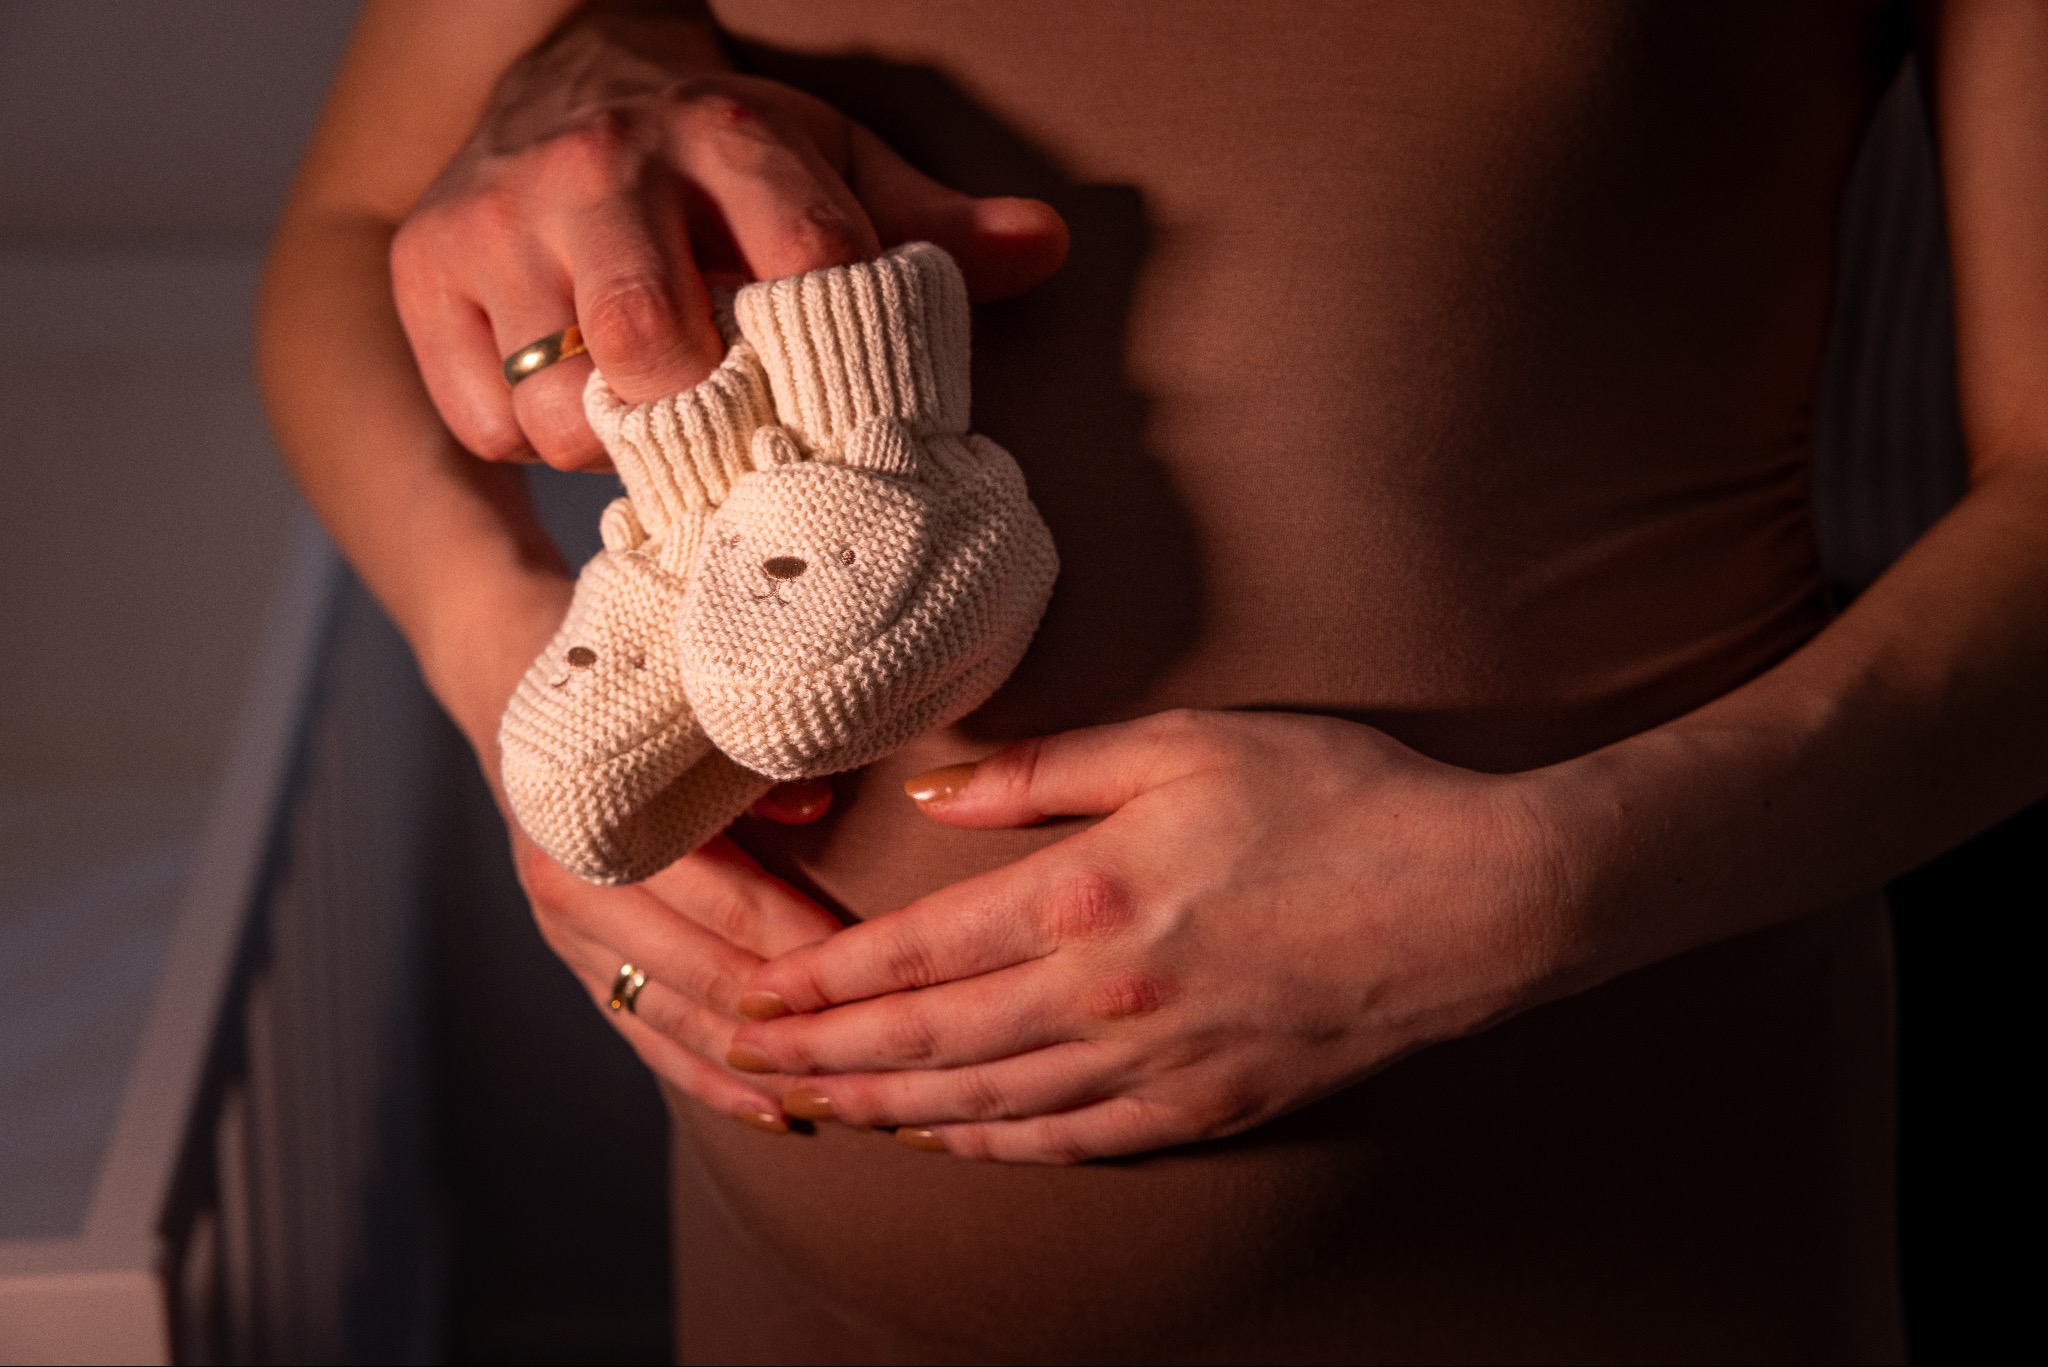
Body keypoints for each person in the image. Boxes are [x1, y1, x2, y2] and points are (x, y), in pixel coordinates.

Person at [257, 1, 2048, 1360]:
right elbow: (345, 236)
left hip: (1610, 1227)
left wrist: (1550, 876)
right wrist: (525, 685)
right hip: (794, 1289)